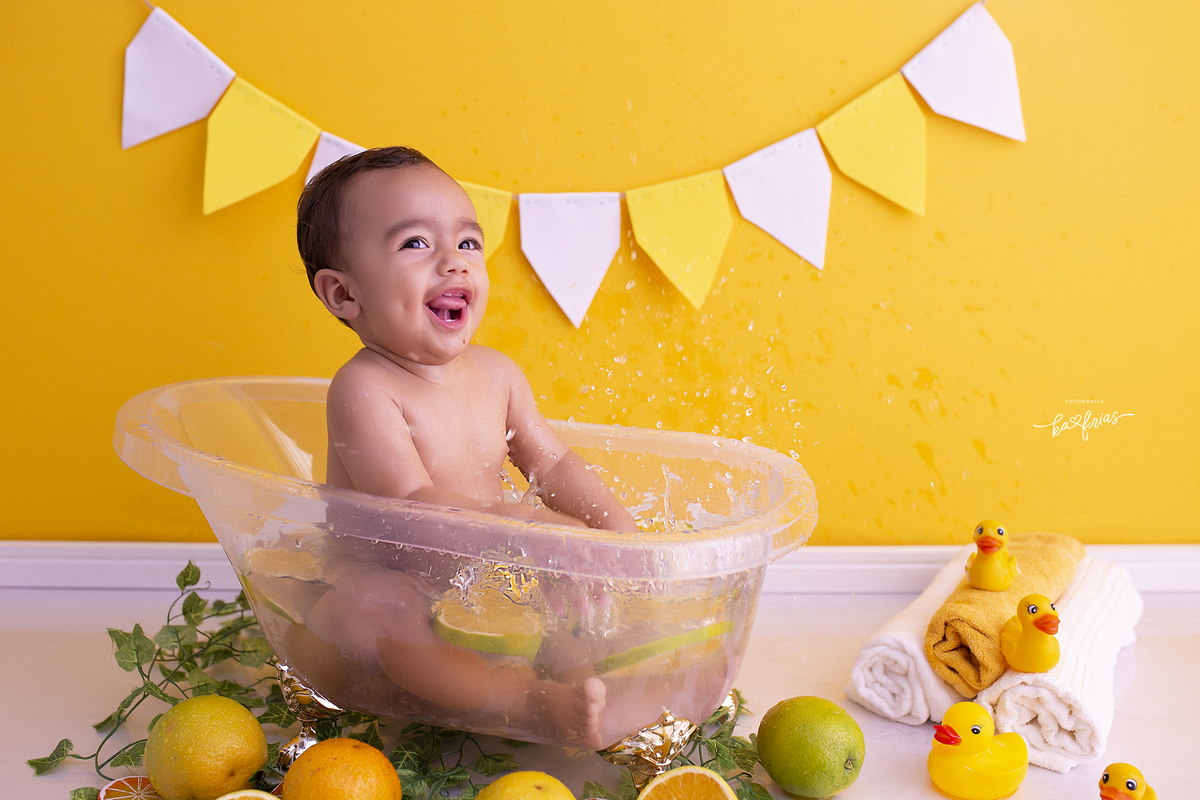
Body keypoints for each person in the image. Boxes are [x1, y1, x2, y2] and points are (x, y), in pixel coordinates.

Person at [293, 146, 638, 748]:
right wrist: (532, 530)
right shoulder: (365, 388)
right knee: (381, 604)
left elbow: (551, 463)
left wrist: (609, 526)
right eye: (416, 244)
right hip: (388, 579)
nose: (454, 263)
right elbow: (414, 507)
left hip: (480, 575)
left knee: (559, 614)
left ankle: (588, 696)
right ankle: (523, 701)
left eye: (469, 243)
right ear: (344, 296)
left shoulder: (498, 374)